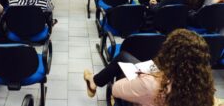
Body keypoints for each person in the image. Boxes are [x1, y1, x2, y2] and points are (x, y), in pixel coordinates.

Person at [83, 29, 215, 106]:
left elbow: (116, 89)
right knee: (123, 57)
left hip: (146, 92)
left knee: (123, 65)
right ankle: (94, 81)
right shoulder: (203, 87)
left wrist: (141, 77)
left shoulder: (152, 84)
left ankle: (93, 82)